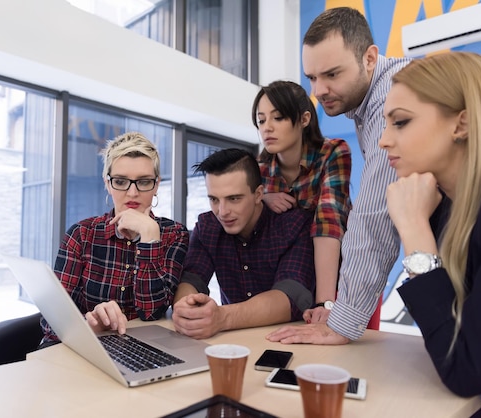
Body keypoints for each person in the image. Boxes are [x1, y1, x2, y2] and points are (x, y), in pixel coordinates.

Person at [380, 52, 481, 416]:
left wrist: (413, 230)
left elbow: (465, 365)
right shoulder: (447, 207)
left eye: (400, 122)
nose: (383, 141)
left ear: (461, 124)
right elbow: (463, 343)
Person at [267, 7, 411, 344]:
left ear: (370, 58)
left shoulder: (391, 96)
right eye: (312, 78)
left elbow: (374, 216)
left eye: (332, 74)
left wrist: (340, 320)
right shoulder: (363, 105)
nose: (319, 90)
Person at [40, 132, 189, 345]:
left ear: (156, 185)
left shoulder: (175, 234)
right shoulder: (82, 234)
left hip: (142, 350)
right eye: (120, 181)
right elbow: (51, 321)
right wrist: (89, 324)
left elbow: (152, 312)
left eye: (144, 182)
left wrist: (149, 238)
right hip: (85, 346)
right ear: (108, 184)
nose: (132, 192)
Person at [172, 148, 316, 339]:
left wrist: (221, 318)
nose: (222, 212)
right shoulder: (208, 226)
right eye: (214, 199)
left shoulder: (295, 225)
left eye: (233, 199)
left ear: (258, 194)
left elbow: (291, 297)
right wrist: (186, 310)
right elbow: (191, 280)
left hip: (290, 342)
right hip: (232, 343)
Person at [252, 80, 351, 324]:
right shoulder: (259, 169)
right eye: (261, 120)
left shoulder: (333, 152)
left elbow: (328, 220)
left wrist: (325, 303)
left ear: (304, 119)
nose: (267, 128)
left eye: (278, 118)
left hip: (342, 275)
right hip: (289, 281)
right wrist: (262, 198)